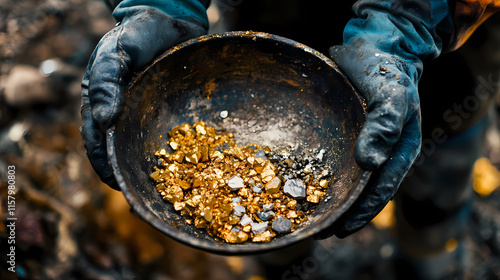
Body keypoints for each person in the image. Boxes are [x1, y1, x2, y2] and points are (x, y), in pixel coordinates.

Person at [80, 0, 500, 278]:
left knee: (435, 179)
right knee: (282, 246)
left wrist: (407, 23)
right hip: (278, 15)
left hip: (440, 46)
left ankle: (431, 262)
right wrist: (162, 3)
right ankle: (283, 263)